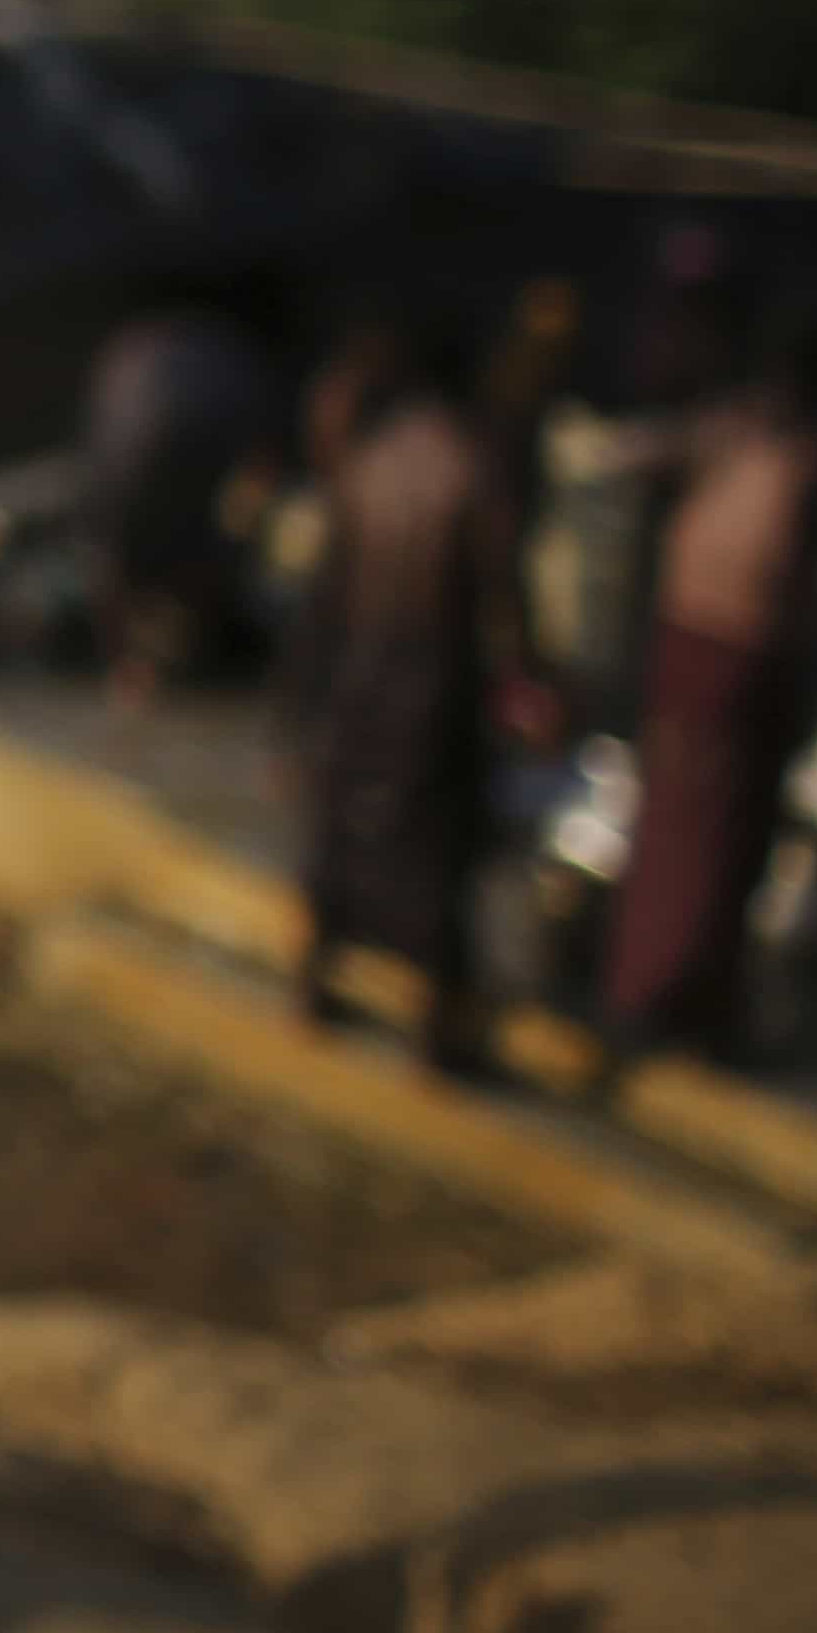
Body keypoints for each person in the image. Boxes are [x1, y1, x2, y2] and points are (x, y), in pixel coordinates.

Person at [603, 307, 817, 1062]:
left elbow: (634, 456)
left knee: (683, 823)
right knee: (715, 835)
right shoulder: (798, 454)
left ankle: (659, 990)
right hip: (736, 658)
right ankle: (675, 995)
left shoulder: (733, 433)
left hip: (696, 646)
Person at [281, 317, 521, 1071]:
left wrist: (300, 705)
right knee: (437, 853)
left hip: (361, 673)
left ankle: (315, 982)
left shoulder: (372, 460)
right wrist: (532, 680)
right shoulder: (472, 469)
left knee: (345, 832)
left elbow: (325, 596)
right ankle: (435, 1028)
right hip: (432, 681)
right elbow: (501, 599)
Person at [78, 302, 284, 702]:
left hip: (148, 457)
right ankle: (143, 664)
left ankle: (134, 667)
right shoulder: (229, 367)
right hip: (158, 461)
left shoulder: (134, 356)